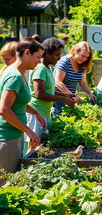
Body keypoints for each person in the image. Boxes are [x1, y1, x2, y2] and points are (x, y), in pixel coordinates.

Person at [0, 38, 46, 173]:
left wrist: (36, 112)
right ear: (27, 53)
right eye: (38, 57)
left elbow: (18, 102)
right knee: (6, 184)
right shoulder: (14, 76)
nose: (39, 61)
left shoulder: (18, 73)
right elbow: (4, 109)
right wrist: (28, 130)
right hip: (8, 138)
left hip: (14, 135)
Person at [25, 37, 75, 145]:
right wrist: (63, 98)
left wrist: (65, 94)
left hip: (44, 113)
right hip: (36, 114)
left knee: (38, 146)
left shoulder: (48, 68)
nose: (59, 58)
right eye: (56, 55)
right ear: (47, 53)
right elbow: (39, 93)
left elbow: (49, 90)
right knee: (33, 146)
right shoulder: (40, 68)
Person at [53, 41, 96, 115]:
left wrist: (90, 93)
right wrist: (73, 96)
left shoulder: (82, 65)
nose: (84, 59)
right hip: (58, 96)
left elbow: (83, 82)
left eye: (86, 57)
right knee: (58, 118)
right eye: (82, 56)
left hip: (70, 97)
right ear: (75, 51)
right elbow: (58, 82)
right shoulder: (64, 62)